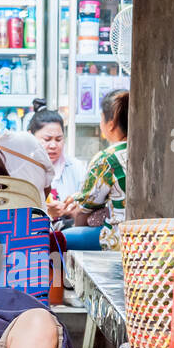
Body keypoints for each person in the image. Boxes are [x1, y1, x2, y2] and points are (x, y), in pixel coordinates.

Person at [59, 89, 128, 251]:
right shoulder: (151, 152)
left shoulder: (107, 158)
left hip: (118, 236)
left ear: (111, 124)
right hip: (151, 233)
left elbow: (85, 206)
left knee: (54, 240)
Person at [28, 103, 87, 213]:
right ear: (30, 136)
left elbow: (87, 205)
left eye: (58, 139)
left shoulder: (77, 167)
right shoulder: (23, 168)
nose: (53, 145)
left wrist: (68, 211)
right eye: (47, 139)